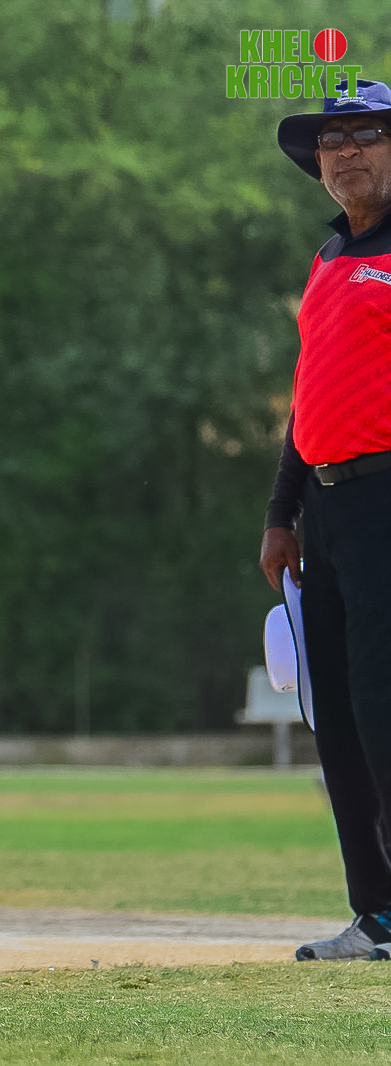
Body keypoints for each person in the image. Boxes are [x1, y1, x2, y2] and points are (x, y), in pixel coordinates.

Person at [262, 79, 391, 962]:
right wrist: (281, 512)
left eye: (367, 134)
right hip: (326, 508)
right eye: (330, 140)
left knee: (384, 706)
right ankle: (375, 914)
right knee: (338, 715)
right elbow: (309, 396)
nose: (345, 151)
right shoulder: (328, 256)